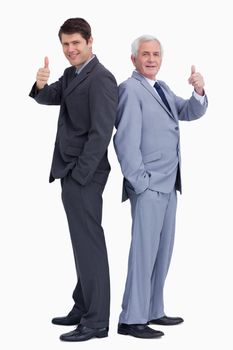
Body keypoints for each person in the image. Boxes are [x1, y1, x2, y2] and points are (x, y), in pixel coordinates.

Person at [29, 18, 118, 342]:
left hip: (85, 174)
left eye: (76, 43)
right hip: (71, 171)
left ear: (90, 41)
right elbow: (47, 97)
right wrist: (40, 84)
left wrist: (79, 175)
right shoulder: (71, 75)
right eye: (65, 44)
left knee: (90, 246)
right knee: (82, 244)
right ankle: (83, 306)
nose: (70, 50)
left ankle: (96, 322)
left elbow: (101, 134)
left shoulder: (102, 79)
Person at [113, 35, 208, 339]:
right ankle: (131, 318)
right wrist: (140, 182)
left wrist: (198, 91)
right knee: (143, 253)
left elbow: (190, 112)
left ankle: (154, 310)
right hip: (149, 184)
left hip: (170, 183)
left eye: (156, 54)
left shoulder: (162, 88)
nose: (151, 59)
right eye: (145, 54)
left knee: (162, 251)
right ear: (134, 60)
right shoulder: (130, 89)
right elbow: (124, 140)